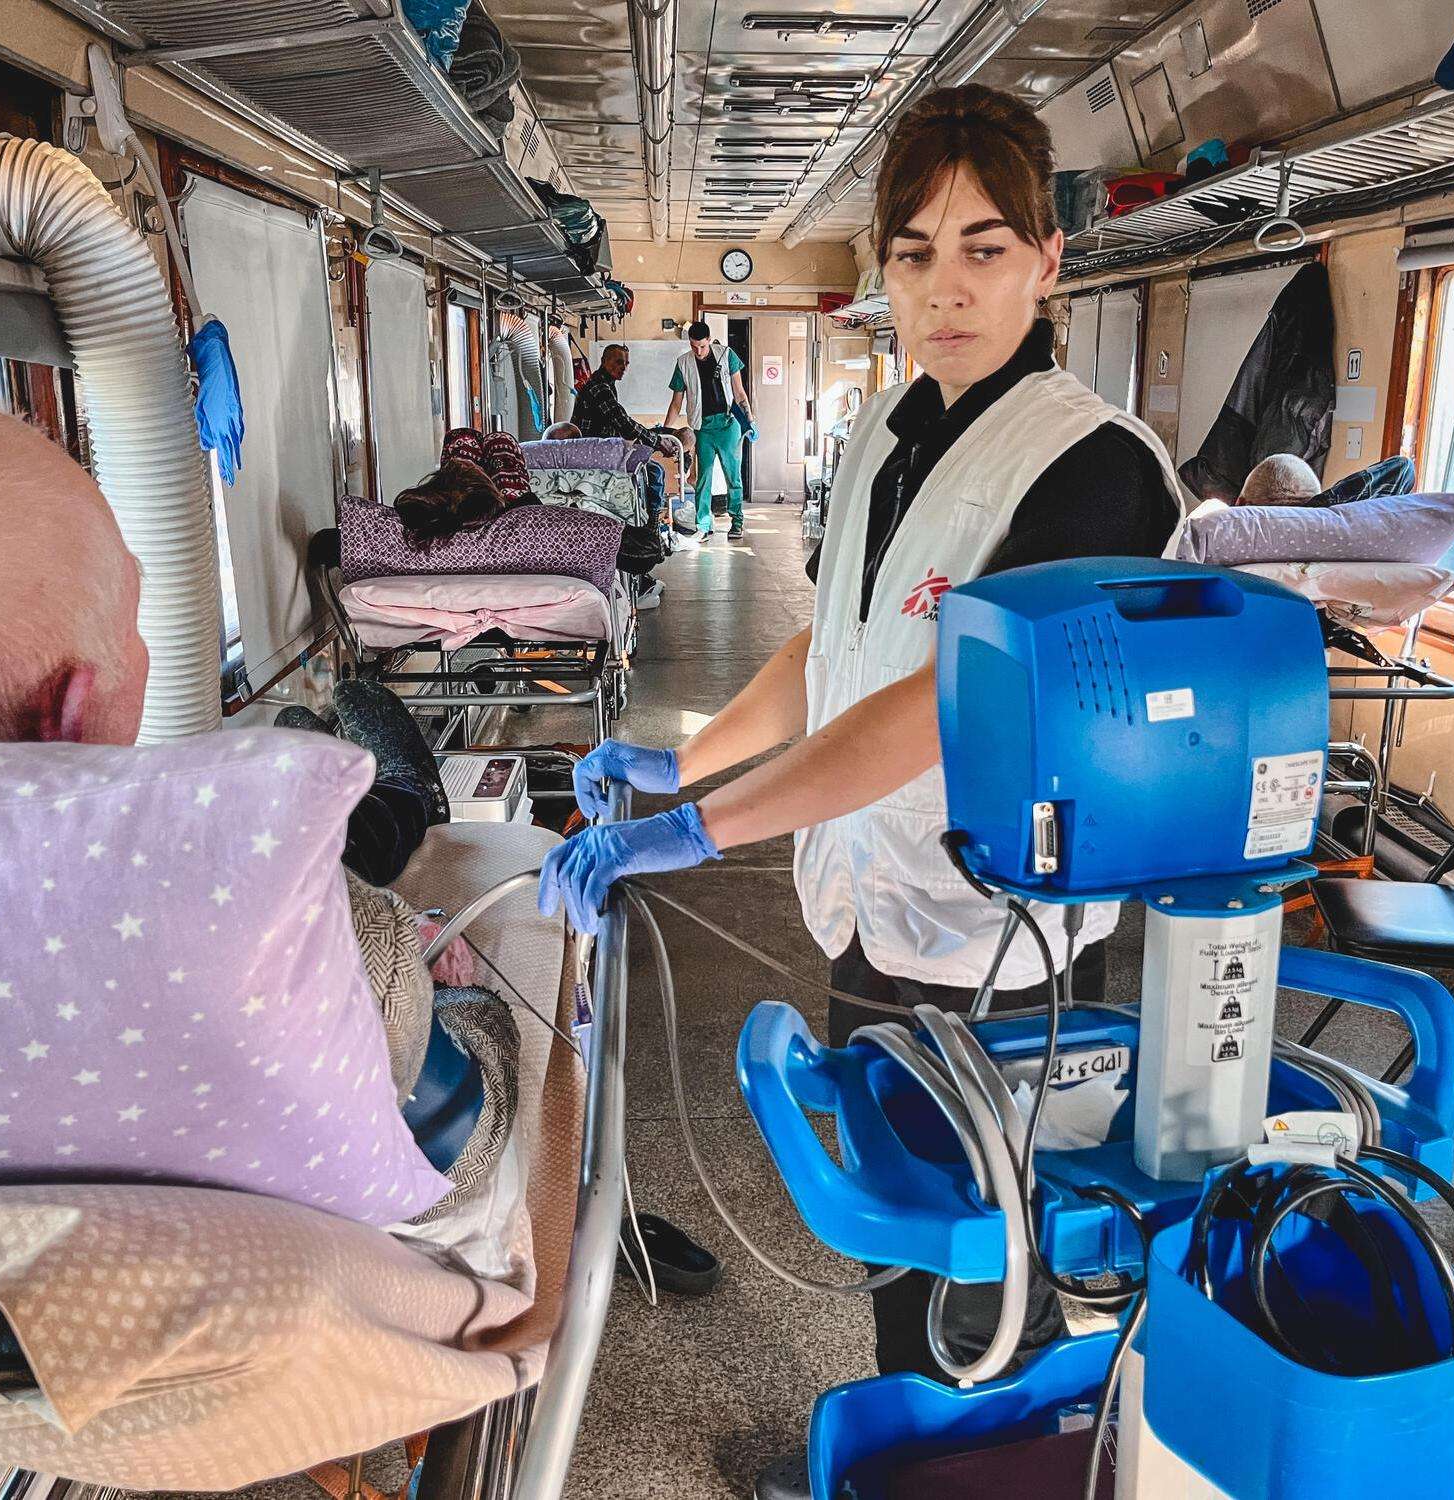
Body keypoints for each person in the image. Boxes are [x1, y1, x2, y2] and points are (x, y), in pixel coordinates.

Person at [536, 85, 1185, 1488]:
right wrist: (684, 753)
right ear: (880, 267)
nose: (945, 287)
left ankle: (980, 1475)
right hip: (869, 905)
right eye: (915, 252)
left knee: (982, 1270)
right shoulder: (895, 430)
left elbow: (937, 716)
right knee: (900, 1226)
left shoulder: (1093, 471)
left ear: (1050, 262)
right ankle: (908, 1468)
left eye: (985, 247)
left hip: (998, 943)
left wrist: (694, 829)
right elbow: (828, 643)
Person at [0, 397, 447, 1093]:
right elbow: (457, 1139)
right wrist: (439, 992)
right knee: (353, 826)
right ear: (63, 716)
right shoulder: (260, 919)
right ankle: (408, 795)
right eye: (131, 619)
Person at [572, 342, 696, 548]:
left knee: (653, 459)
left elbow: (620, 422)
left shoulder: (605, 384)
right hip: (595, 454)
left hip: (603, 449)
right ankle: (649, 530)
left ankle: (648, 524)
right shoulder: (599, 387)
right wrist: (656, 441)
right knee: (655, 472)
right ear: (604, 361)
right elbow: (621, 420)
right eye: (618, 362)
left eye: (626, 363)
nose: (623, 367)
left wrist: (652, 438)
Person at [662, 319, 752, 541]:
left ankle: (737, 522)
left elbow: (739, 393)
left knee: (733, 477)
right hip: (702, 428)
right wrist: (664, 431)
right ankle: (703, 525)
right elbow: (676, 403)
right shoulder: (683, 363)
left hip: (728, 425)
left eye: (702, 346)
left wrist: (749, 420)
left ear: (709, 340)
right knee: (703, 478)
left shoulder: (726, 355)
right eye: (694, 346)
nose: (698, 351)